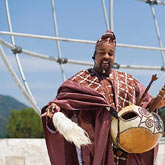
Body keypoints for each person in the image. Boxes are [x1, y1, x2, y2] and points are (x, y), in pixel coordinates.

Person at [41, 31, 164, 165]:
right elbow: (64, 102)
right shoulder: (80, 80)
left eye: (110, 54)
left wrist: (155, 103)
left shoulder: (129, 81)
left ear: (114, 57)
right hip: (94, 149)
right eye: (102, 53)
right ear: (94, 55)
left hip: (126, 149)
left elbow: (145, 107)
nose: (106, 56)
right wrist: (56, 109)